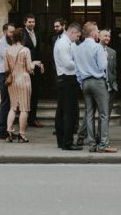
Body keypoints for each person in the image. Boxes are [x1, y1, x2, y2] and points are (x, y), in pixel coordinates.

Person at [75, 22, 116, 152]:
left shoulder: (78, 48)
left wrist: (81, 82)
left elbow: (77, 70)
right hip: (98, 81)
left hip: (85, 82)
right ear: (93, 33)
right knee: (104, 114)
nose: (98, 33)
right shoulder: (97, 47)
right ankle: (103, 144)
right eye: (97, 31)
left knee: (89, 114)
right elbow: (103, 66)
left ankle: (92, 144)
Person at [5, 28, 43, 142]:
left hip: (12, 81)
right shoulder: (25, 50)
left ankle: (9, 131)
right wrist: (36, 63)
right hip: (24, 80)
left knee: (12, 107)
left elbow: (6, 68)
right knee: (24, 108)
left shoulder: (7, 50)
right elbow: (29, 68)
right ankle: (21, 133)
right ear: (22, 38)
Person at [54, 21, 82, 150]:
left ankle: (62, 141)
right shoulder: (63, 44)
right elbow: (68, 64)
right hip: (67, 79)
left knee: (62, 111)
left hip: (67, 79)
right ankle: (67, 142)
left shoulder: (69, 43)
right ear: (72, 32)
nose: (78, 39)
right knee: (68, 112)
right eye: (77, 36)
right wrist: (81, 64)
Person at [22, 13, 43, 128]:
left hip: (36, 68)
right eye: (29, 22)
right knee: (25, 95)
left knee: (34, 94)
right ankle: (23, 119)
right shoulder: (22, 34)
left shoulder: (37, 34)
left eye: (33, 22)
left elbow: (38, 50)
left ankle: (32, 119)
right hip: (25, 68)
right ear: (25, 23)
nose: (32, 24)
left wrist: (40, 63)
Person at [0, 22, 15, 140]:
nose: (13, 34)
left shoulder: (11, 42)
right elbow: (10, 58)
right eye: (11, 32)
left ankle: (9, 128)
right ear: (5, 32)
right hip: (5, 75)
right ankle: (2, 131)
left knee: (11, 104)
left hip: (12, 75)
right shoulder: (0, 43)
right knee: (5, 103)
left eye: (14, 32)